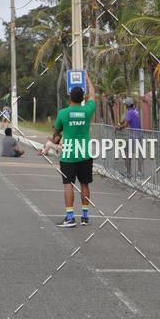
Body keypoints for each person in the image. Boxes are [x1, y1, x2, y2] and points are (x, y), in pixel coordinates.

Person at [53, 72, 96, 227]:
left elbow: (56, 132)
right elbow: (93, 95)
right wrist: (87, 78)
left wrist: (55, 138)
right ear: (82, 98)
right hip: (84, 153)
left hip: (68, 154)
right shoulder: (87, 110)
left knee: (68, 184)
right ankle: (85, 216)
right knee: (85, 184)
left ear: (70, 98)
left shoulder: (63, 113)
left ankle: (70, 217)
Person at [117, 97, 143, 178]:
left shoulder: (129, 112)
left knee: (126, 153)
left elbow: (125, 124)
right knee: (139, 154)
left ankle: (128, 173)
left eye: (125, 104)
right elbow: (127, 120)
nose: (124, 105)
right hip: (139, 134)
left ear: (127, 105)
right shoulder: (136, 110)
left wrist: (119, 127)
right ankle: (139, 173)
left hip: (133, 136)